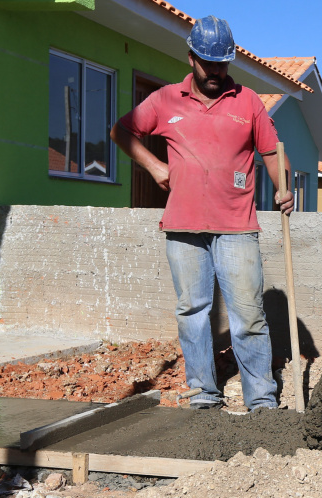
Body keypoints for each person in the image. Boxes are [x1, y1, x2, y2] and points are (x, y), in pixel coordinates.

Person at [111, 15, 295, 411]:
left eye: (222, 63)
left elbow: (272, 152)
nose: (215, 71)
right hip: (183, 225)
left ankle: (261, 400)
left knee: (248, 315)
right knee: (193, 313)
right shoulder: (164, 100)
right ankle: (204, 396)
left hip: (237, 227)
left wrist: (283, 187)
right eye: (207, 62)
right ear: (191, 57)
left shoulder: (247, 102)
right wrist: (154, 167)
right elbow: (122, 131)